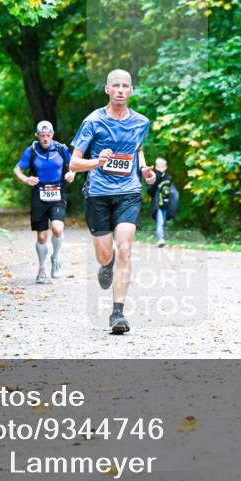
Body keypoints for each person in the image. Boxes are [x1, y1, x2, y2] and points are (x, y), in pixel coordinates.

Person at [69, 69, 156, 335]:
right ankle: (106, 264)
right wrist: (98, 162)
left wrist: (144, 170)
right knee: (106, 254)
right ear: (107, 89)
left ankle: (117, 313)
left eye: (125, 86)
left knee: (125, 249)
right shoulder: (93, 121)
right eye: (115, 86)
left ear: (131, 90)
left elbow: (137, 148)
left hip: (129, 192)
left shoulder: (141, 122)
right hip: (98, 194)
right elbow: (74, 162)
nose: (120, 90)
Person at [13, 121, 76, 284]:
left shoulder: (61, 149)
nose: (45, 139)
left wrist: (71, 174)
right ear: (37, 136)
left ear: (52, 134)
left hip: (57, 192)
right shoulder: (32, 151)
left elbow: (74, 166)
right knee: (41, 236)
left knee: (57, 228)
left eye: (48, 135)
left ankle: (56, 258)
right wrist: (26, 179)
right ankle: (42, 269)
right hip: (39, 194)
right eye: (42, 136)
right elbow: (17, 169)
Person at [146, 157, 177, 247]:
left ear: (166, 167)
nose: (161, 167)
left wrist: (173, 204)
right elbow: (150, 191)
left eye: (162, 165)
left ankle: (162, 237)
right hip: (157, 204)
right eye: (159, 165)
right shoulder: (153, 177)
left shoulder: (168, 178)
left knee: (163, 222)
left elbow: (172, 192)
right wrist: (158, 176)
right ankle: (161, 239)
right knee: (160, 221)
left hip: (166, 204)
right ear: (156, 167)